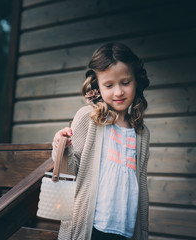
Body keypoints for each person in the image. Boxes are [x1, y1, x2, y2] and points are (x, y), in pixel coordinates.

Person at [52, 42, 150, 240]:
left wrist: (142, 230)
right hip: (91, 228)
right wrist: (61, 147)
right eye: (109, 85)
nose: (118, 92)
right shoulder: (88, 118)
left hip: (127, 228)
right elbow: (72, 170)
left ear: (136, 81)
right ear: (96, 85)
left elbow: (140, 184)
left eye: (125, 82)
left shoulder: (141, 132)